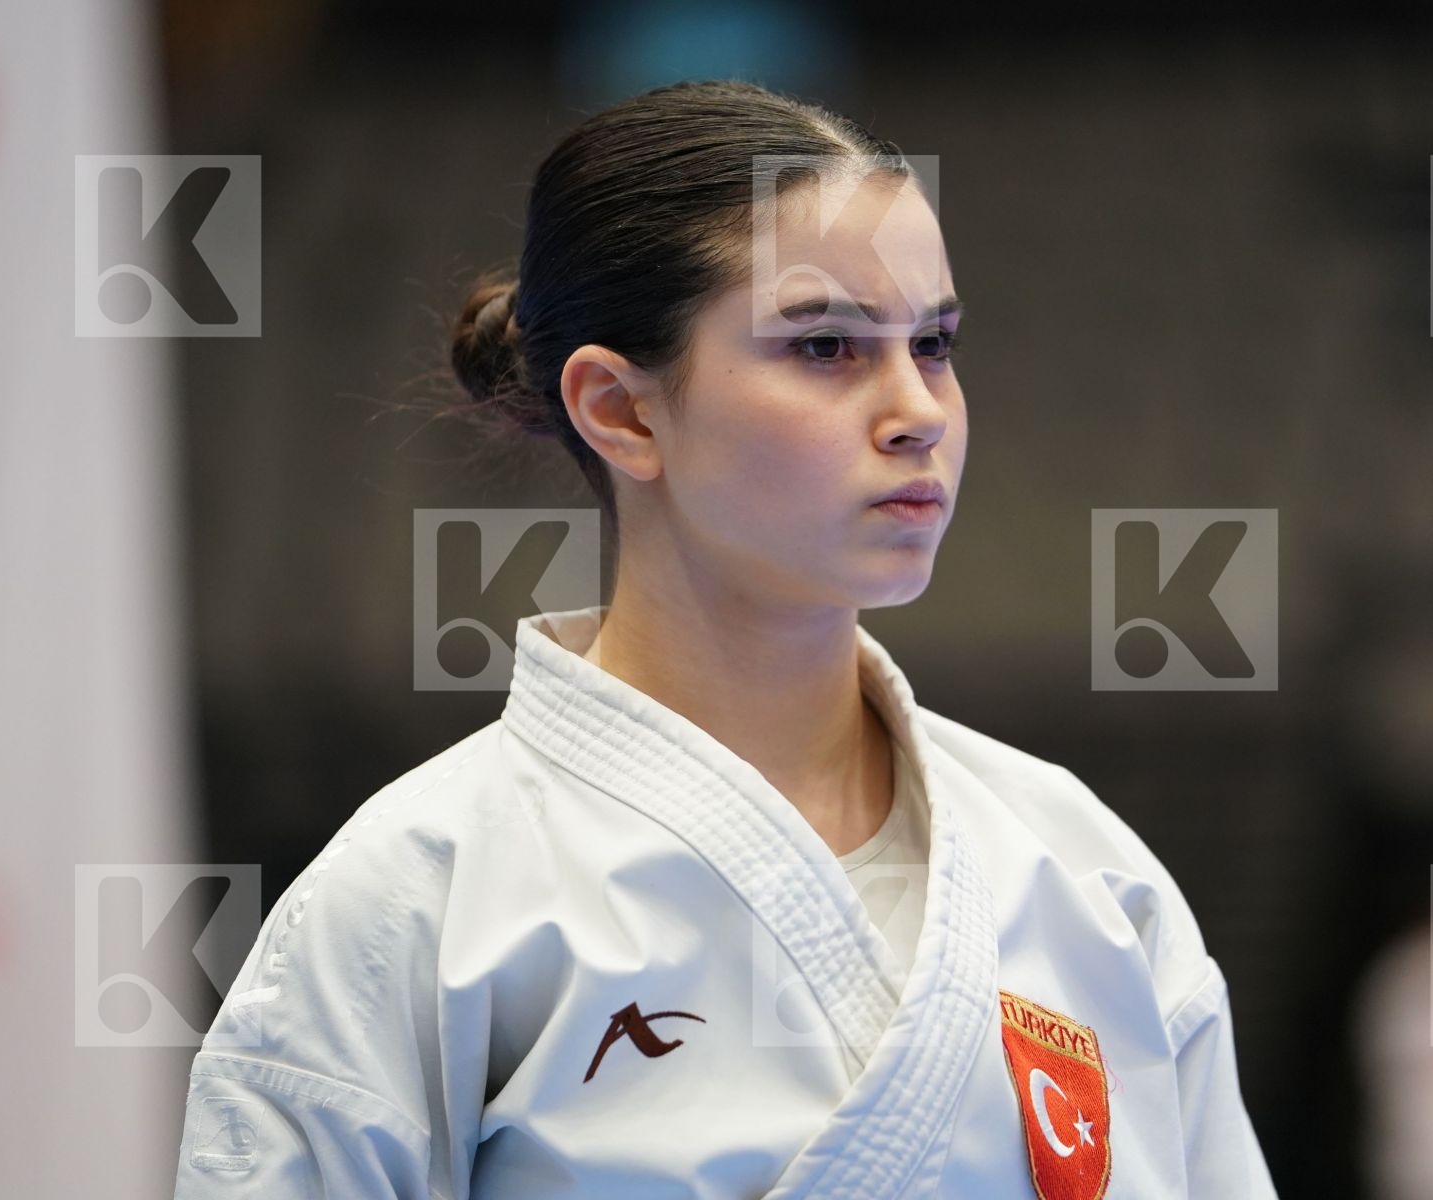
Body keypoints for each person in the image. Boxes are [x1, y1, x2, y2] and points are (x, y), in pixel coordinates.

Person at [172, 78, 1277, 1199]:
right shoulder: (417, 900)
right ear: (623, 409)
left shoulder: (1084, 875)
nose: (920, 411)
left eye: (934, 344)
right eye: (828, 348)